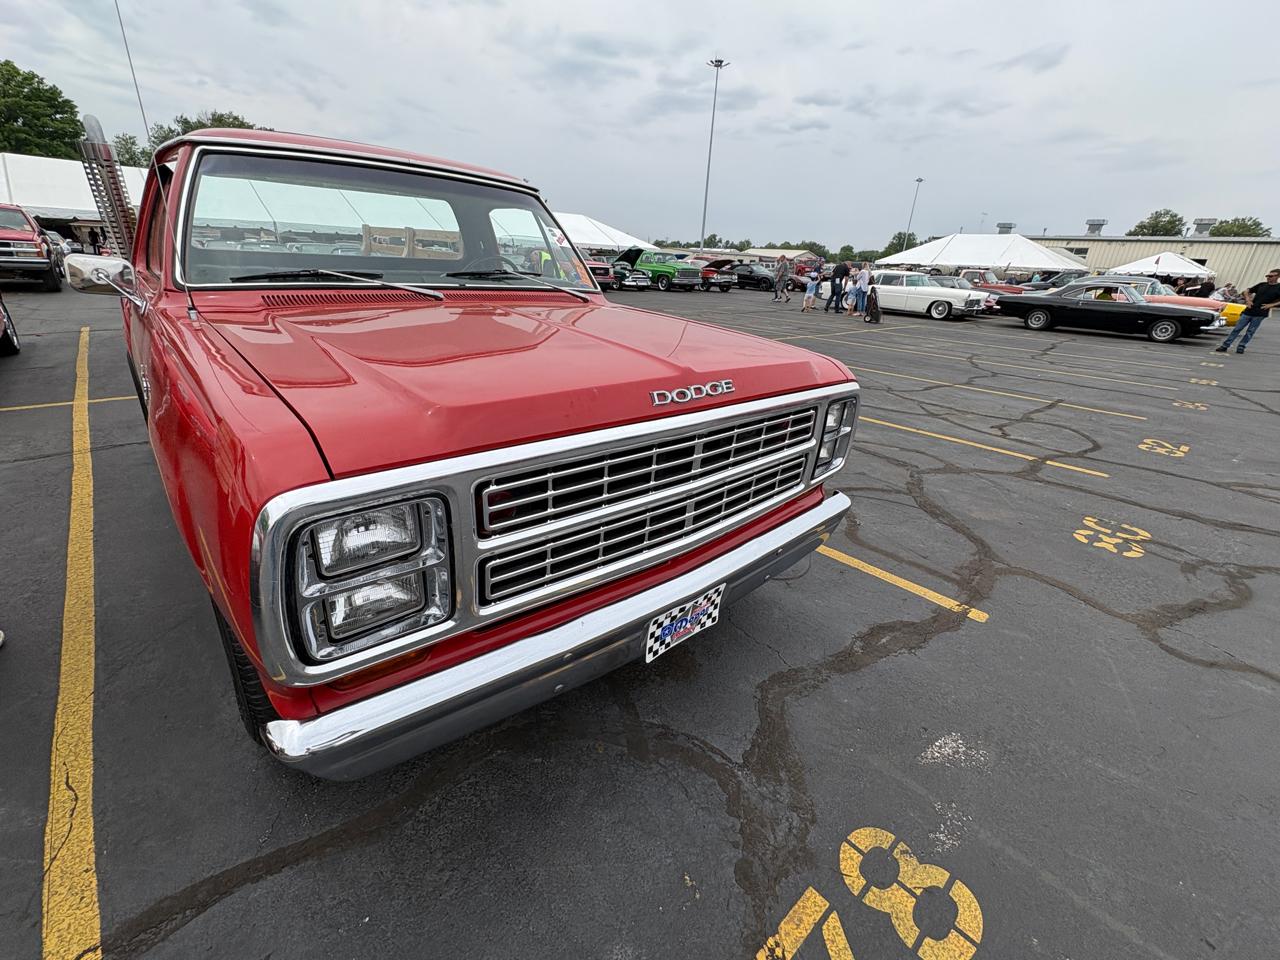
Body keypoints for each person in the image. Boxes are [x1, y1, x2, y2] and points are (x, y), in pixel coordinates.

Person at [1215, 268, 1280, 354]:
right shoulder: (1262, 285)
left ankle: (1241, 346)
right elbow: (1246, 291)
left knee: (1250, 331)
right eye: (1267, 276)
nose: (1268, 277)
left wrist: (1271, 305)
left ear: (1277, 276)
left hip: (1260, 313)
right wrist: (1248, 300)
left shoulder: (1278, 287)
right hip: (1249, 310)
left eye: (1271, 276)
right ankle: (1225, 345)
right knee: (1237, 328)